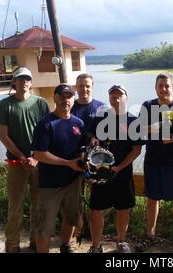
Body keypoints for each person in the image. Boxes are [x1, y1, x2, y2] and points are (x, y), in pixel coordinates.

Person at [0, 67, 50, 253]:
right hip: (16, 164)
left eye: (27, 79)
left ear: (31, 83)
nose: (24, 82)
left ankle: (36, 241)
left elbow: (46, 134)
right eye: (20, 79)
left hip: (38, 164)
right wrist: (22, 157)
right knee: (15, 207)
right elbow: (4, 136)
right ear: (14, 82)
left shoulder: (41, 104)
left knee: (39, 206)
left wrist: (35, 158)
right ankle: (12, 245)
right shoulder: (4, 105)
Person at [137, 74, 173, 252]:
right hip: (152, 160)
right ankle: (150, 235)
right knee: (152, 199)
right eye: (160, 86)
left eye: (167, 86)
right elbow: (139, 131)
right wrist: (157, 125)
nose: (164, 89)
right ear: (156, 88)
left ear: (172, 87)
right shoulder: (147, 105)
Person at [31, 84, 86, 253]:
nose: (66, 100)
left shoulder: (79, 123)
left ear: (73, 100)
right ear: (54, 98)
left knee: (71, 218)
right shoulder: (45, 124)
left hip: (73, 182)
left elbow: (81, 150)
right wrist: (68, 163)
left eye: (69, 97)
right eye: (62, 97)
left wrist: (85, 159)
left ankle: (65, 245)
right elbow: (39, 155)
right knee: (45, 226)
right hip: (50, 185)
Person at [87, 85, 142, 253]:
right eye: (113, 96)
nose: (116, 99)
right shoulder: (100, 117)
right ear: (109, 98)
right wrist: (93, 138)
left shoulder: (134, 121)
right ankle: (96, 246)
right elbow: (90, 135)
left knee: (123, 209)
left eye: (120, 96)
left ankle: (121, 242)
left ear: (126, 97)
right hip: (100, 172)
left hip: (122, 172)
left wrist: (119, 167)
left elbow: (137, 149)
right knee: (96, 210)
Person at [68, 73, 105, 242]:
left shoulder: (101, 108)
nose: (84, 89)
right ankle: (77, 231)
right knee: (75, 199)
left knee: (96, 200)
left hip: (95, 162)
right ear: (76, 87)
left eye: (88, 85)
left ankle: (92, 231)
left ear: (92, 86)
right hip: (74, 162)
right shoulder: (70, 107)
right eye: (81, 85)